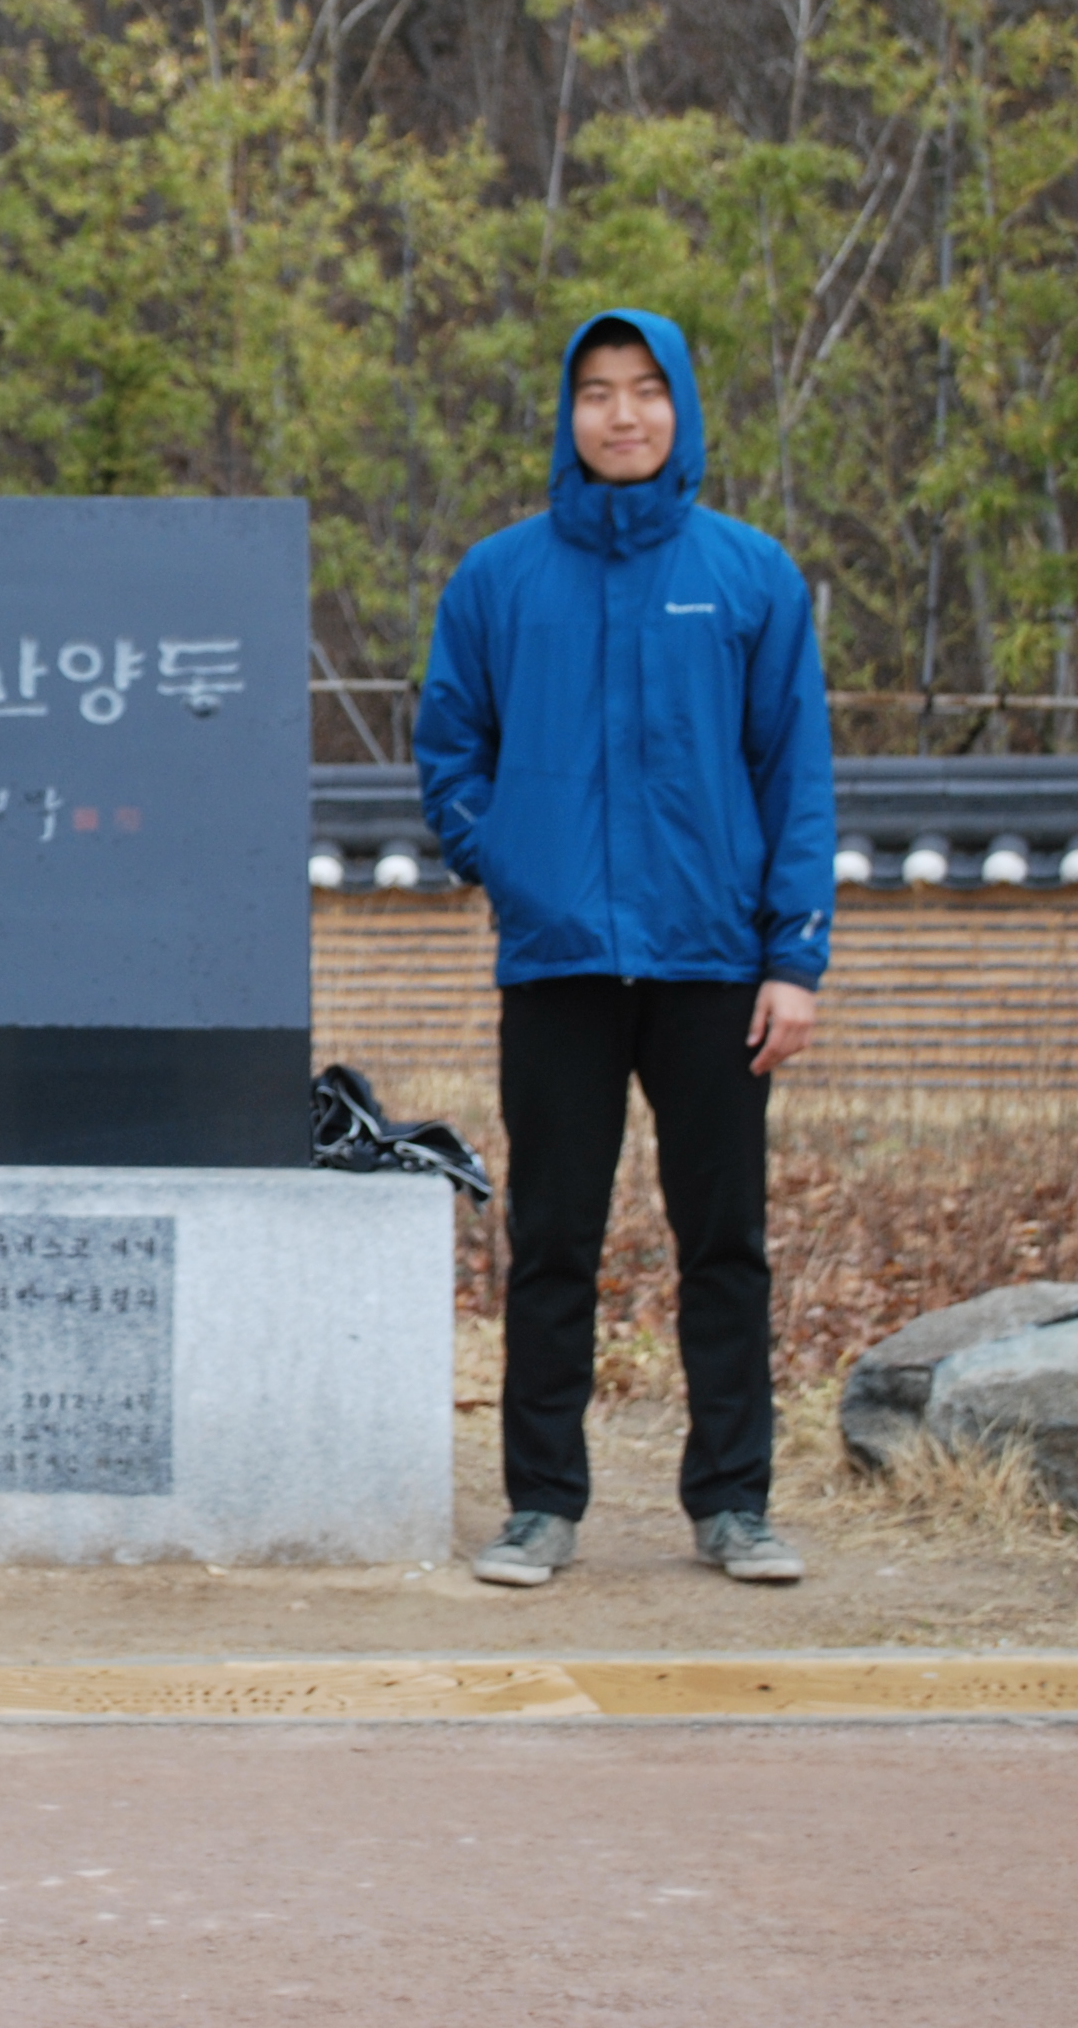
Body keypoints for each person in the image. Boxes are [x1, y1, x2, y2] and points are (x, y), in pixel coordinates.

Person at [412, 308, 835, 1590]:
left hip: (712, 965)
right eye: (595, 391)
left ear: (679, 407)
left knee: (725, 1246)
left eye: (645, 390)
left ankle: (733, 1503)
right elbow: (448, 749)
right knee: (551, 1243)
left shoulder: (749, 575)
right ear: (567, 413)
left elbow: (794, 774)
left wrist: (792, 959)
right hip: (558, 968)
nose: (621, 415)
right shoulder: (499, 578)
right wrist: (508, 860)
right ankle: (539, 1506)